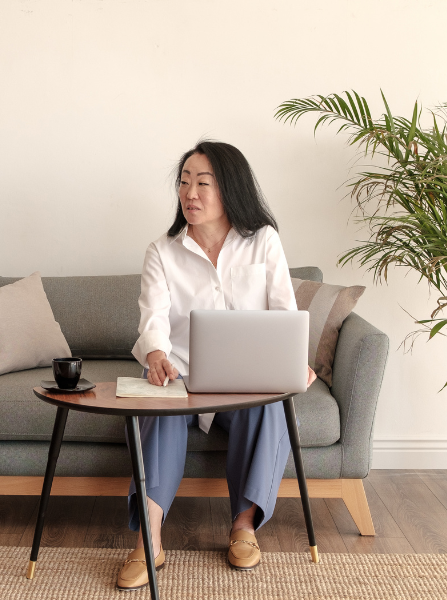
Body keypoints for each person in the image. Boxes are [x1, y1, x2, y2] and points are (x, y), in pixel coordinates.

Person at [117, 140, 315, 590]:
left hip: (246, 379)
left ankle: (243, 528)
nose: (190, 193)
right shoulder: (162, 251)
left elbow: (285, 314)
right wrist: (156, 356)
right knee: (161, 405)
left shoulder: (262, 241)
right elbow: (153, 319)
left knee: (270, 405)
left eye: (202, 183)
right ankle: (149, 540)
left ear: (230, 189)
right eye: (184, 182)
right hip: (183, 377)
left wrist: (292, 362)